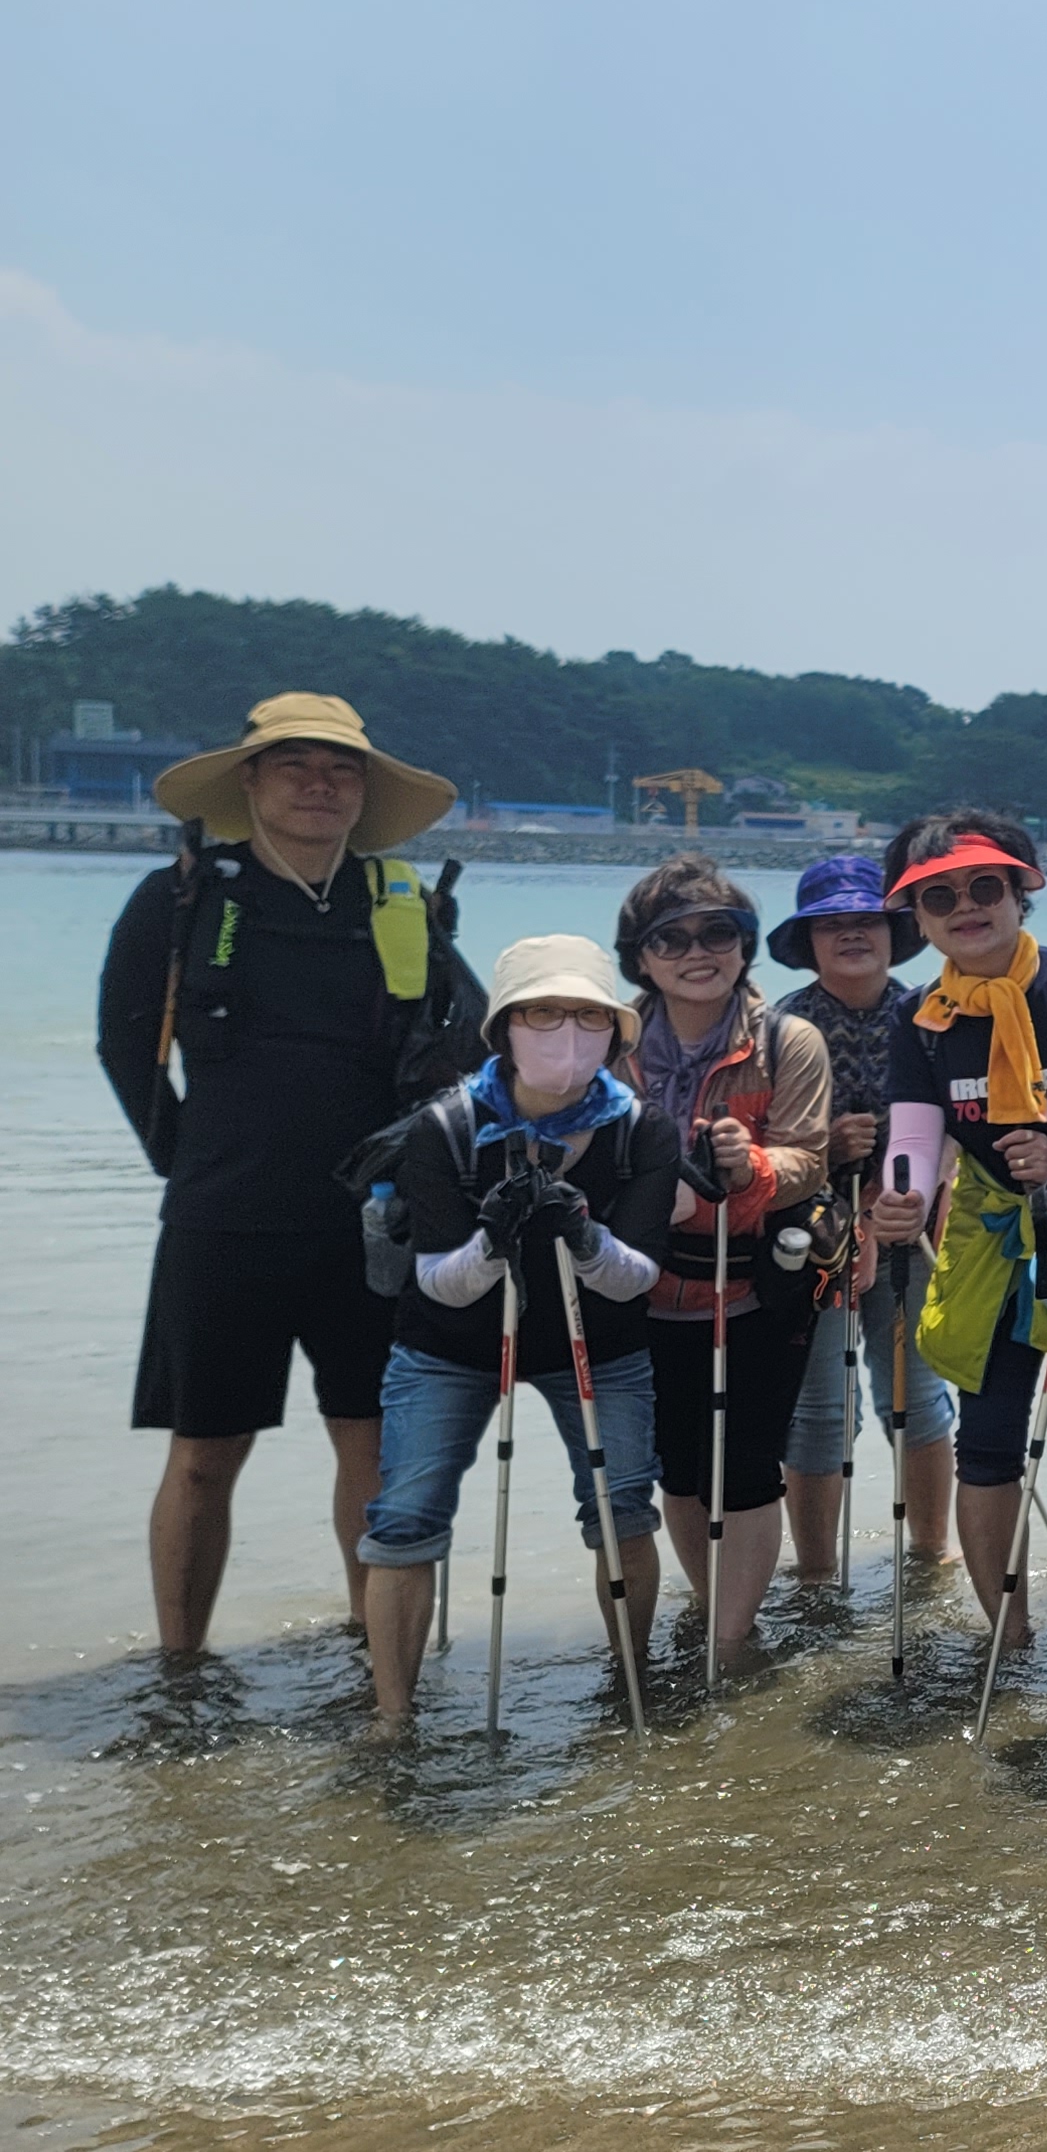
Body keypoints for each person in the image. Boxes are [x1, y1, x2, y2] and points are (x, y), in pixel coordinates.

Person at [103, 692, 467, 1655]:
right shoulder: (184, 897)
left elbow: (470, 1047)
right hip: (222, 1221)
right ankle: (179, 1663)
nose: (320, 784)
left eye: (342, 769)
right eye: (296, 765)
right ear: (250, 781)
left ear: (363, 793)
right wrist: (186, 1165)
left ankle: (370, 1646)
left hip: (373, 1224)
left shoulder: (400, 905)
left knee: (373, 1443)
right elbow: (126, 1046)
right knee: (202, 1454)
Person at [355, 936, 682, 1728]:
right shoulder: (445, 1128)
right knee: (405, 1517)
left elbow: (636, 1277)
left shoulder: (644, 1133)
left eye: (587, 1015)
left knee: (622, 1508)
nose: (566, 1031)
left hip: (595, 1342)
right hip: (452, 1344)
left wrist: (583, 1236)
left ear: (614, 1029)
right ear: (504, 1028)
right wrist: (492, 1243)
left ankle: (629, 1684)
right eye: (543, 1012)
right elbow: (438, 1281)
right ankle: (393, 1718)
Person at [865, 810, 1047, 1644]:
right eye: (937, 896)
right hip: (993, 1234)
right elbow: (913, 1141)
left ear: (1022, 893)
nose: (965, 906)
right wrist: (900, 1201)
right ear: (915, 920)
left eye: (984, 885)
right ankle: (1009, 1633)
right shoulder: (919, 1017)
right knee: (986, 1441)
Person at [616, 856, 831, 1668]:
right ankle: (713, 1609)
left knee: (747, 1466)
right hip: (643, 1286)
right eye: (671, 937)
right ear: (640, 956)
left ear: (745, 947)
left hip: (756, 1285)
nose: (696, 951)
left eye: (719, 932)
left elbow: (809, 1158)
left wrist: (755, 1168)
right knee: (676, 1466)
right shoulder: (614, 1043)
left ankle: (735, 1639)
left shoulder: (786, 1040)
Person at [770, 854, 957, 1572]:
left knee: (918, 1397)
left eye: (867, 922)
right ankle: (816, 1573)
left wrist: (903, 1199)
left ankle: (932, 1554)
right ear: (809, 941)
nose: (852, 935)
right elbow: (762, 1144)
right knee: (817, 1405)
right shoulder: (779, 1027)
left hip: (910, 1232)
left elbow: (960, 1128)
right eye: (833, 925)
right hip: (811, 1241)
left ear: (893, 933)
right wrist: (825, 1150)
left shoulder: (931, 1017)